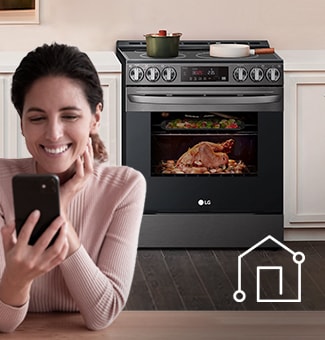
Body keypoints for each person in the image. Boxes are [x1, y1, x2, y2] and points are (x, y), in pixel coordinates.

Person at [0, 43, 146, 333]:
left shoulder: (125, 188)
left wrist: (59, 212)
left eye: (69, 116)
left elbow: (102, 314)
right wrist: (15, 281)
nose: (54, 133)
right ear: (22, 124)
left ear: (95, 117)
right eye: (37, 118)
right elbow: (4, 323)